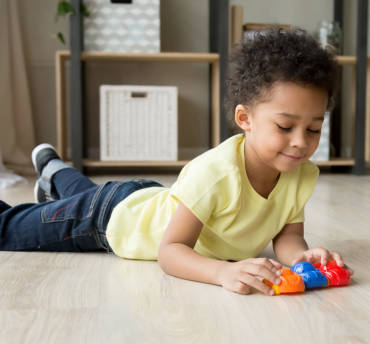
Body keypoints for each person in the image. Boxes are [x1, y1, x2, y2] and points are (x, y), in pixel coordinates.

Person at [0, 27, 352, 295]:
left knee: (82, 192)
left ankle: (53, 170)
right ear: (245, 119)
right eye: (285, 126)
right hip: (112, 219)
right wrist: (221, 273)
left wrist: (301, 257)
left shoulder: (301, 174)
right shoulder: (216, 173)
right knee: (11, 228)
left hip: (149, 199)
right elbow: (170, 252)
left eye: (314, 129)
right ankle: (54, 173)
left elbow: (288, 236)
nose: (300, 143)